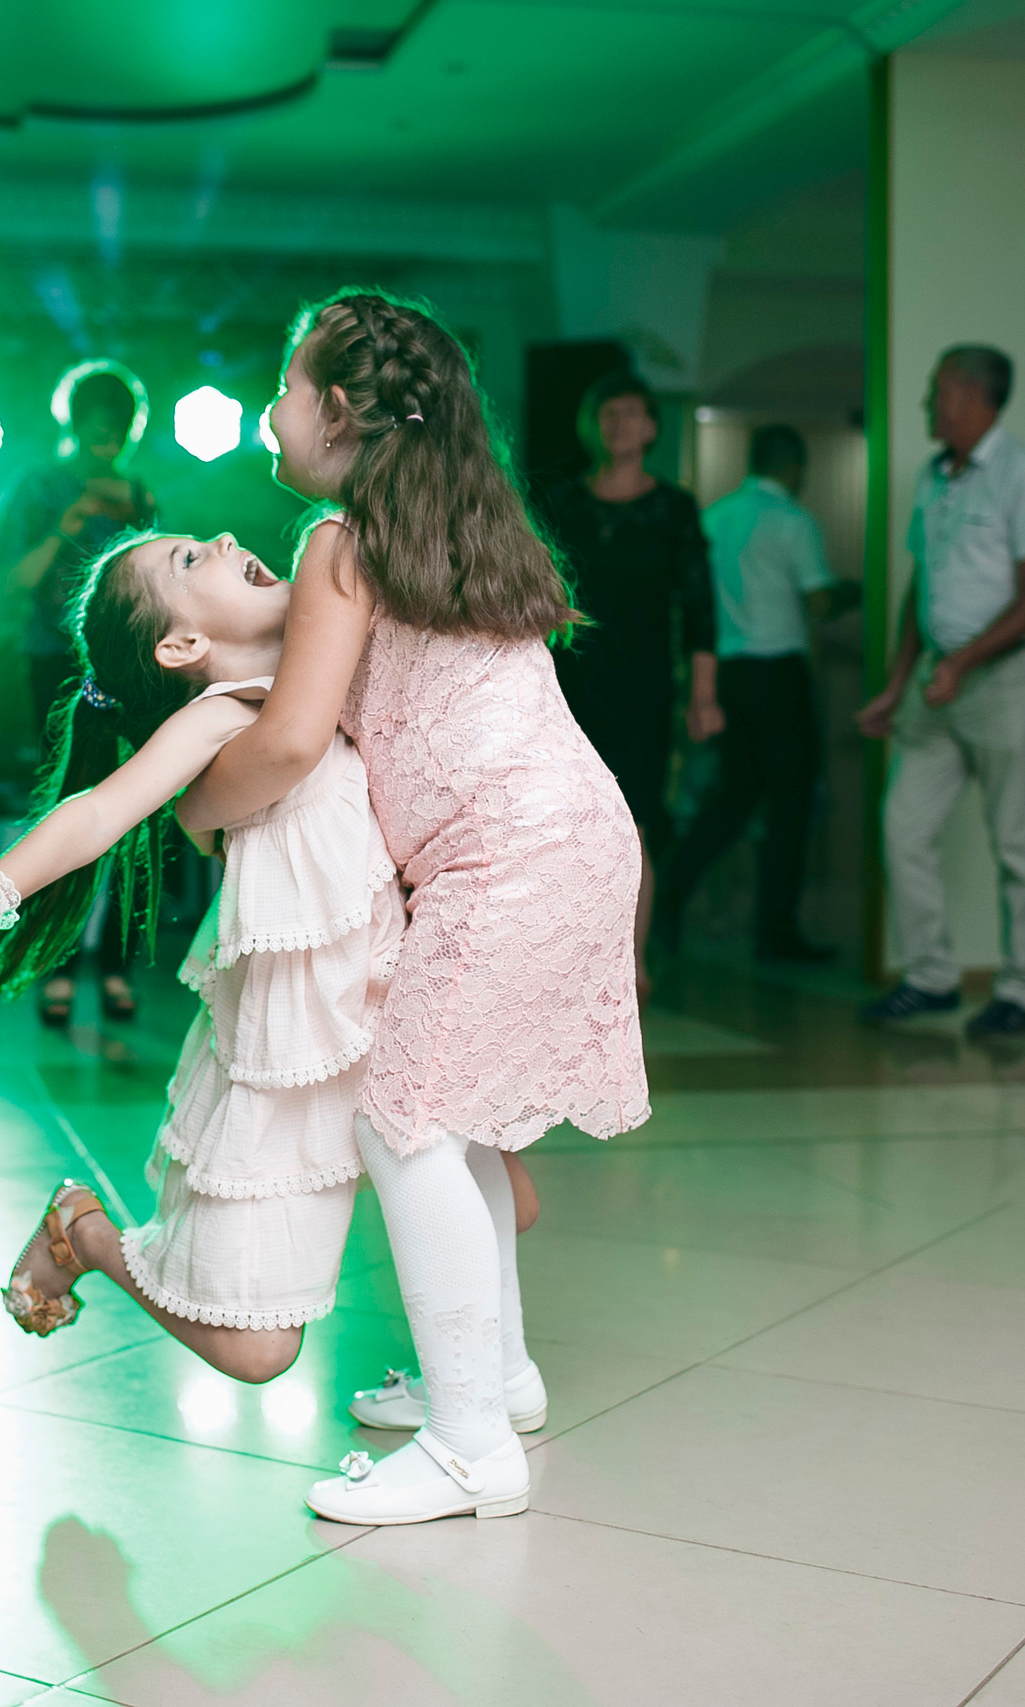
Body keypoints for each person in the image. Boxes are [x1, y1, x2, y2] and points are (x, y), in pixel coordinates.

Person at [179, 291, 651, 1526]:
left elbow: (285, 743)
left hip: (507, 857)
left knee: (402, 1125)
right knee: (454, 1117)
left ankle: (466, 1449)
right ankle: (496, 1376)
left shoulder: (338, 540)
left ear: (336, 410)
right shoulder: (452, 527)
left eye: (281, 388)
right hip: (576, 837)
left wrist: (195, 807)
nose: (264, 413)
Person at [0, 529, 404, 1381]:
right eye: (186, 561)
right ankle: (86, 1232)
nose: (219, 535)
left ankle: (474, 1400)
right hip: (292, 1038)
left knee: (505, 1205)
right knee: (259, 1350)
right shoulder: (229, 711)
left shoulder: (342, 651)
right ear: (182, 646)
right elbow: (97, 813)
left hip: (402, 997)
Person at [857, 345, 1025, 1039]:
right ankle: (931, 977)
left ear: (973, 397)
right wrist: (896, 684)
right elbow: (924, 586)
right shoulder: (931, 477)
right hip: (936, 679)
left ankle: (1018, 989)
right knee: (902, 827)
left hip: (1006, 678)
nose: (927, 403)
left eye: (937, 390)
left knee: (1017, 840)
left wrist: (967, 662)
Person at [533, 371, 717, 993]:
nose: (619, 424)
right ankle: (562, 961)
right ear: (590, 424)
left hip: (642, 689)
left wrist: (703, 695)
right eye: (606, 412)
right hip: (566, 684)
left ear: (652, 427)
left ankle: (628, 965)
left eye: (632, 413)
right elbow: (532, 591)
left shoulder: (673, 508)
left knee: (632, 823)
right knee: (560, 824)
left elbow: (700, 610)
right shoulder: (561, 500)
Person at [0, 362, 159, 1027]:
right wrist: (73, 516)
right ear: (75, 421)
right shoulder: (39, 487)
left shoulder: (140, 495)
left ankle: (116, 968)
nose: (106, 433)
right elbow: (13, 582)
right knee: (65, 811)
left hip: (127, 669)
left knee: (129, 811)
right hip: (54, 665)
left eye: (117, 423)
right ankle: (54, 965)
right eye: (96, 419)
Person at [656, 423, 855, 963]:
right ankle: (776, 933)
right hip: (778, 674)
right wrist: (851, 592)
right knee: (790, 804)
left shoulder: (715, 518)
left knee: (733, 798)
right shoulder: (793, 521)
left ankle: (669, 893)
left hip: (727, 675)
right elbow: (817, 603)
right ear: (794, 468)